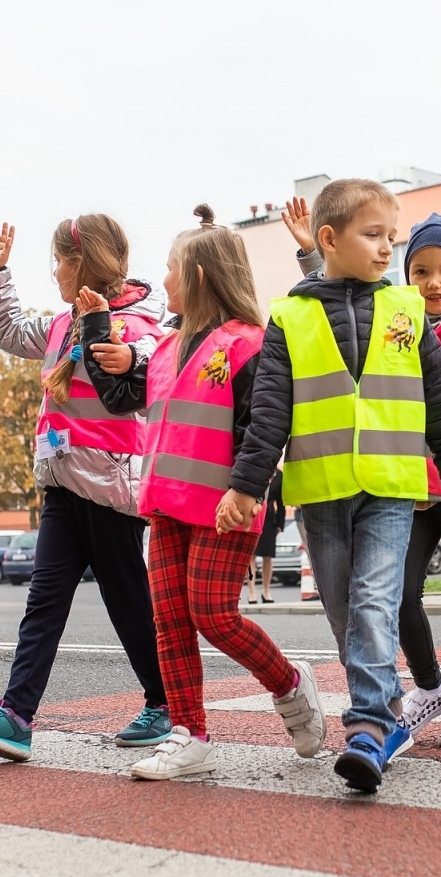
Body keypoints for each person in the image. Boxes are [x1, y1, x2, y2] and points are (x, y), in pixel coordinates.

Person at [219, 179, 441, 794]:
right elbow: (270, 411)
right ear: (330, 240)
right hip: (322, 490)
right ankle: (385, 706)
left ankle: (367, 728)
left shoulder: (407, 309)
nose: (388, 248)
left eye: (392, 237)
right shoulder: (290, 317)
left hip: (391, 487)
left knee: (373, 604)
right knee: (343, 612)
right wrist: (247, 485)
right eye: (374, 235)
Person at [83, 205, 325, 779]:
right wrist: (95, 329)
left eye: (170, 268)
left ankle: (290, 684)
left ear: (195, 276)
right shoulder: (165, 348)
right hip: (166, 505)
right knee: (169, 620)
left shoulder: (249, 343)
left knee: (214, 616)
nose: (162, 278)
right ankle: (188, 735)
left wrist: (247, 489)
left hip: (225, 507)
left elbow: (265, 424)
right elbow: (118, 398)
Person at [285, 201, 441, 747]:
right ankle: (430, 688)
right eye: (421, 271)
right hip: (408, 485)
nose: (434, 283)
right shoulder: (396, 323)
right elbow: (343, 308)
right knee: (400, 594)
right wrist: (313, 255)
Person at [0, 215, 172, 764]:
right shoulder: (58, 327)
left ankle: (166, 702)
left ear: (82, 264)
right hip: (63, 484)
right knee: (43, 601)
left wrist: (124, 348)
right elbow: (9, 330)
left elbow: (154, 366)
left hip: (110, 488)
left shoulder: (137, 325)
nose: (54, 273)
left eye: (59, 262)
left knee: (129, 603)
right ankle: (16, 716)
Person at [249, 468, 285, 604]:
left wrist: (280, 524)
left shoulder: (279, 475)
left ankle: (266, 591)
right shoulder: (256, 469)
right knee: (251, 555)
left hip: (269, 519)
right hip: (253, 514)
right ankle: (252, 592)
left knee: (268, 556)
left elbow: (281, 501)